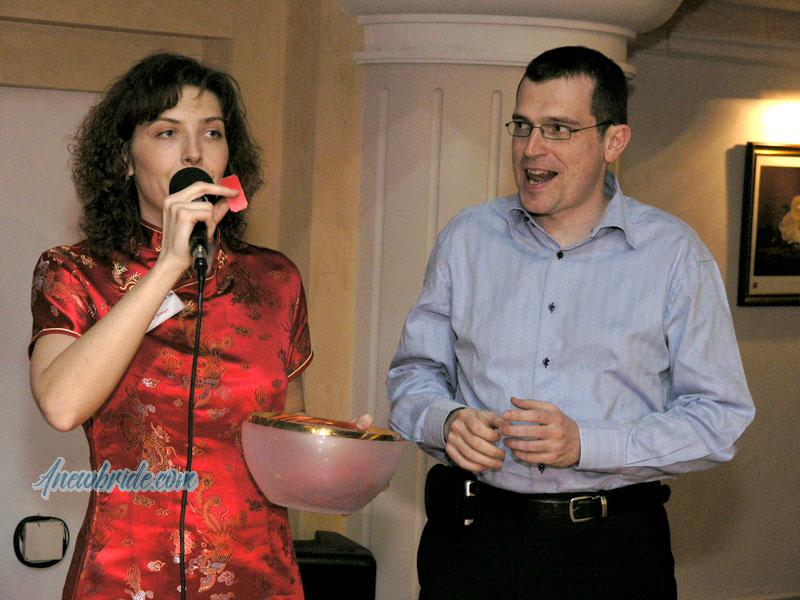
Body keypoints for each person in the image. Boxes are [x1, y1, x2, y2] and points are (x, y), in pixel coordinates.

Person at [387, 46, 755, 599]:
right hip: (473, 546)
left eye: (558, 129)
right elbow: (413, 373)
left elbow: (719, 418)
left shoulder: (675, 256)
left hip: (612, 554)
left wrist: (587, 444)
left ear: (614, 142)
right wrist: (446, 419)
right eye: (522, 126)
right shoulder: (467, 238)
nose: (531, 149)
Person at [29, 53, 369, 599]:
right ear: (124, 159)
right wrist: (169, 265)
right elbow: (62, 405)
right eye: (167, 132)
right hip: (126, 576)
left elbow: (281, 446)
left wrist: (342, 451)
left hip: (257, 573)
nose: (193, 152)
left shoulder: (275, 279)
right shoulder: (75, 271)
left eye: (212, 133)